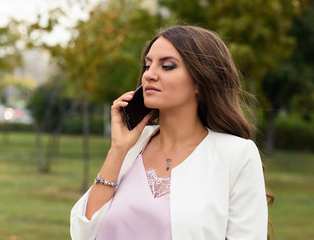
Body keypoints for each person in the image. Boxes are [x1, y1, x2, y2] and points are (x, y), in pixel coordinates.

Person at [70, 25, 273, 240]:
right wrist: (118, 149)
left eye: (166, 66)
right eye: (147, 66)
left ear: (200, 81)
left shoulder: (235, 154)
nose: (149, 75)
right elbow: (83, 232)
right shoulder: (132, 147)